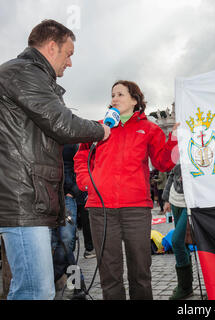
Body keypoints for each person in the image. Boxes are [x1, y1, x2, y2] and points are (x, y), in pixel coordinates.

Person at [0, 19, 110, 300]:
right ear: (51, 46)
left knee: (34, 288)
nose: (70, 62)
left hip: (29, 195)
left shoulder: (25, 75)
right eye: (69, 53)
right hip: (23, 197)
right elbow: (62, 124)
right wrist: (103, 129)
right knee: (35, 291)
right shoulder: (24, 72)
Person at [74, 80, 179, 300]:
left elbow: (163, 163)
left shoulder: (149, 128)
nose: (114, 99)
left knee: (140, 271)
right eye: (112, 95)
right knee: (109, 273)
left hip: (136, 208)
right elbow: (81, 158)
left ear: (134, 99)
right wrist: (87, 182)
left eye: (120, 94)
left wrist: (174, 142)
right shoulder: (98, 127)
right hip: (100, 209)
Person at [51, 144, 86, 300]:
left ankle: (52, 277)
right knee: (57, 244)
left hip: (67, 198)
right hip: (47, 199)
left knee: (67, 242)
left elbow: (83, 166)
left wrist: (74, 191)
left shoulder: (71, 141)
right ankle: (78, 285)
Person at [162, 163, 193, 300]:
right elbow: (172, 175)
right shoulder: (178, 149)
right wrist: (167, 200)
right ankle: (186, 285)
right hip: (175, 201)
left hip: (190, 202)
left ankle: (185, 287)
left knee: (176, 241)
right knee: (183, 243)